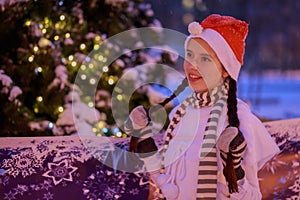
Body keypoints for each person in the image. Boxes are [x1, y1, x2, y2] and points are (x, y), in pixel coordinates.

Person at [124, 14, 280, 200]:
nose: (192, 65)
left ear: (226, 70)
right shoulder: (179, 115)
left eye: (205, 59)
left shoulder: (238, 121)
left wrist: (234, 167)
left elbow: (252, 197)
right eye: (189, 55)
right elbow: (167, 180)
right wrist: (143, 137)